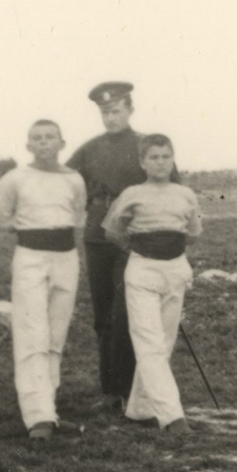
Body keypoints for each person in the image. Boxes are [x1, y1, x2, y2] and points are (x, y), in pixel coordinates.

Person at [69, 81, 180, 410]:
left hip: (133, 236)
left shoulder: (147, 146)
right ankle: (110, 392)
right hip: (97, 236)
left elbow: (173, 189)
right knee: (103, 314)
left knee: (125, 314)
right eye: (104, 112)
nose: (110, 117)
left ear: (129, 110)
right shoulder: (89, 149)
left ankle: (130, 388)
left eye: (116, 110)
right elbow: (67, 180)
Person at [0, 119, 88, 438]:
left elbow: (78, 213)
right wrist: (33, 230)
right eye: (37, 138)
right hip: (31, 257)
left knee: (56, 336)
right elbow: (0, 217)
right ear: (28, 145)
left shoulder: (74, 179)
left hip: (66, 257)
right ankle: (37, 416)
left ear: (61, 143)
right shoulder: (16, 178)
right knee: (33, 334)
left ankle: (50, 409)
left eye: (50, 138)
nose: (44, 143)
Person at [102, 135, 205, 431]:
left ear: (173, 159)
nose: (160, 162)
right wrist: (141, 247)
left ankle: (139, 408)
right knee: (149, 344)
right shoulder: (132, 193)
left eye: (165, 156)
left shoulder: (186, 194)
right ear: (142, 162)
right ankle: (172, 416)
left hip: (174, 269)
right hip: (143, 270)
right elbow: (111, 230)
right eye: (154, 157)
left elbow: (195, 231)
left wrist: (169, 244)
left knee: (164, 343)